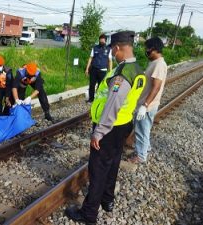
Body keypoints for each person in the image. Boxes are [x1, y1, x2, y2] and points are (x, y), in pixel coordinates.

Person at [65, 31, 146, 224]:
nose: (112, 54)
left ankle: (88, 214)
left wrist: (99, 131)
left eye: (113, 50)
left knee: (98, 170)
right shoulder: (137, 69)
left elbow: (112, 104)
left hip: (110, 128)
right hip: (124, 124)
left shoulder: (122, 73)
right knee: (113, 163)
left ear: (117, 48)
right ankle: (107, 200)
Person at [128, 37, 168, 164]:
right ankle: (146, 148)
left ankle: (141, 156)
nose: (146, 51)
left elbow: (156, 87)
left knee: (142, 130)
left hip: (148, 105)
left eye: (147, 49)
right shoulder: (154, 62)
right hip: (145, 103)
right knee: (143, 129)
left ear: (154, 49)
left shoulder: (159, 64)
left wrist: (145, 105)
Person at [85, 34, 113, 103]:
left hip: (103, 71)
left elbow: (110, 61)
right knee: (92, 85)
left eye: (103, 41)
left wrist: (110, 71)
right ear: (99, 40)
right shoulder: (95, 48)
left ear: (105, 41)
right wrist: (87, 69)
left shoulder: (109, 49)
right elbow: (90, 58)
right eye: (100, 41)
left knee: (100, 87)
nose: (101, 42)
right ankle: (91, 99)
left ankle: (98, 100)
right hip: (94, 70)